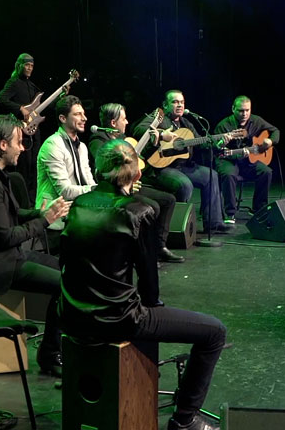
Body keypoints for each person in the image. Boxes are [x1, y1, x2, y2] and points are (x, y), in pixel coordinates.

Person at [60, 139, 227, 430]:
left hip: (73, 317)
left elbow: (67, 264)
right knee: (214, 332)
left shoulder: (79, 205)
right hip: (118, 319)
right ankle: (185, 419)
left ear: (98, 169)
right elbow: (150, 286)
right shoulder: (140, 211)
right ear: (137, 174)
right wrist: (152, 311)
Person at [0, 114, 71, 376]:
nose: (22, 148)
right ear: (3, 145)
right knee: (65, 285)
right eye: (18, 142)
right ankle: (50, 354)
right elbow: (6, 237)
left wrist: (38, 213)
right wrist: (44, 221)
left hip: (9, 256)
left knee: (68, 271)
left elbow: (11, 214)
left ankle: (60, 345)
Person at [90, 102, 185, 263]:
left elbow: (140, 160)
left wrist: (154, 143)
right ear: (113, 123)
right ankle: (141, 253)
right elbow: (104, 169)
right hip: (114, 190)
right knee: (152, 207)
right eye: (124, 119)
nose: (127, 122)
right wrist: (124, 183)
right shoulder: (98, 141)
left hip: (130, 186)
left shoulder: (123, 138)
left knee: (169, 200)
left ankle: (159, 247)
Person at [133, 90, 233, 234]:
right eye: (175, 102)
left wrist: (218, 143)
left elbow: (201, 143)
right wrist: (162, 134)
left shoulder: (186, 123)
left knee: (211, 175)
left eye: (182, 102)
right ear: (165, 105)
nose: (179, 105)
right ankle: (175, 227)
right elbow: (138, 130)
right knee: (184, 185)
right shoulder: (159, 118)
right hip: (160, 169)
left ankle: (214, 223)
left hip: (182, 167)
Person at [214, 96, 280, 221]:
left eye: (247, 110)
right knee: (229, 174)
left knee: (266, 172)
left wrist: (270, 141)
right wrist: (226, 147)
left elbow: (275, 131)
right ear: (233, 109)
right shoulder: (224, 126)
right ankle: (230, 213)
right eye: (241, 111)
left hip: (248, 161)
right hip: (228, 159)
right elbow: (218, 150)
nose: (244, 114)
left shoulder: (256, 121)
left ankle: (258, 209)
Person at [35, 95, 94, 231]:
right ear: (62, 118)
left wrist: (102, 191)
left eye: (83, 114)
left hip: (77, 213)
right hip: (55, 219)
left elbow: (88, 181)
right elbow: (65, 191)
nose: (84, 118)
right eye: (78, 114)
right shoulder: (52, 145)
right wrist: (96, 189)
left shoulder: (82, 147)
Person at [0, 53, 42, 201]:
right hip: (21, 133)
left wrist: (60, 97)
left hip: (34, 132)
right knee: (23, 169)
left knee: (34, 167)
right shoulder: (14, 82)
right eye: (27, 65)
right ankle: (21, 202)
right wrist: (19, 108)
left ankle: (32, 201)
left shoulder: (32, 85)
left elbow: (39, 107)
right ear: (19, 65)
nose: (29, 68)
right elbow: (0, 99)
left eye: (32, 66)